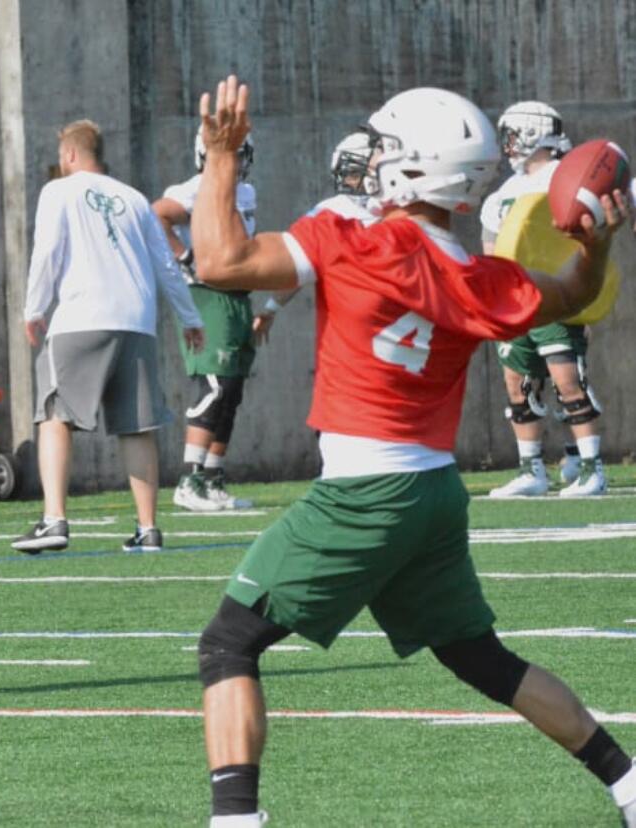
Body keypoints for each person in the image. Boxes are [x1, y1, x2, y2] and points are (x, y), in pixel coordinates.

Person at [190, 76, 635, 827]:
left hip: (367, 490)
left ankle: (236, 822)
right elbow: (568, 292)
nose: (374, 160)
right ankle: (629, 785)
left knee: (228, 643)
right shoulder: (480, 278)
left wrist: (221, 156)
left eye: (389, 149)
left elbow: (218, 262)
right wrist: (598, 242)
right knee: (481, 658)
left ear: (418, 167)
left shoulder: (350, 239)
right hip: (432, 492)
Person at [11, 119, 203, 555]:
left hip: (82, 315)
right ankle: (148, 529)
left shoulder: (58, 190)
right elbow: (166, 264)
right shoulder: (134, 198)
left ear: (70, 155)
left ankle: (54, 519)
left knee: (55, 413)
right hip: (137, 320)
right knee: (136, 426)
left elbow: (47, 250)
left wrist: (34, 308)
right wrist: (189, 317)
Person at [480, 102, 603, 498]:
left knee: (568, 381)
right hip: (515, 302)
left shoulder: (571, 174)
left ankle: (590, 467)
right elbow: (491, 250)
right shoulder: (503, 192)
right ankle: (531, 469)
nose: (508, 145)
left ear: (534, 132)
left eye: (513, 134)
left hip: (555, 293)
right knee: (518, 384)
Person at [152, 126, 258, 512]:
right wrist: (184, 255)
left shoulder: (246, 192)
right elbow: (158, 214)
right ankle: (188, 479)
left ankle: (212, 478)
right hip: (206, 295)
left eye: (239, 155)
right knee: (215, 385)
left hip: (237, 296)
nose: (234, 163)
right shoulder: (194, 189)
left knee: (232, 391)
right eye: (227, 155)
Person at [251, 129, 381, 343]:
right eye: (346, 173)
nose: (349, 181)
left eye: (354, 172)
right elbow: (300, 265)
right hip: (351, 328)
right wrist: (271, 308)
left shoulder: (399, 209)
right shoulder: (330, 212)